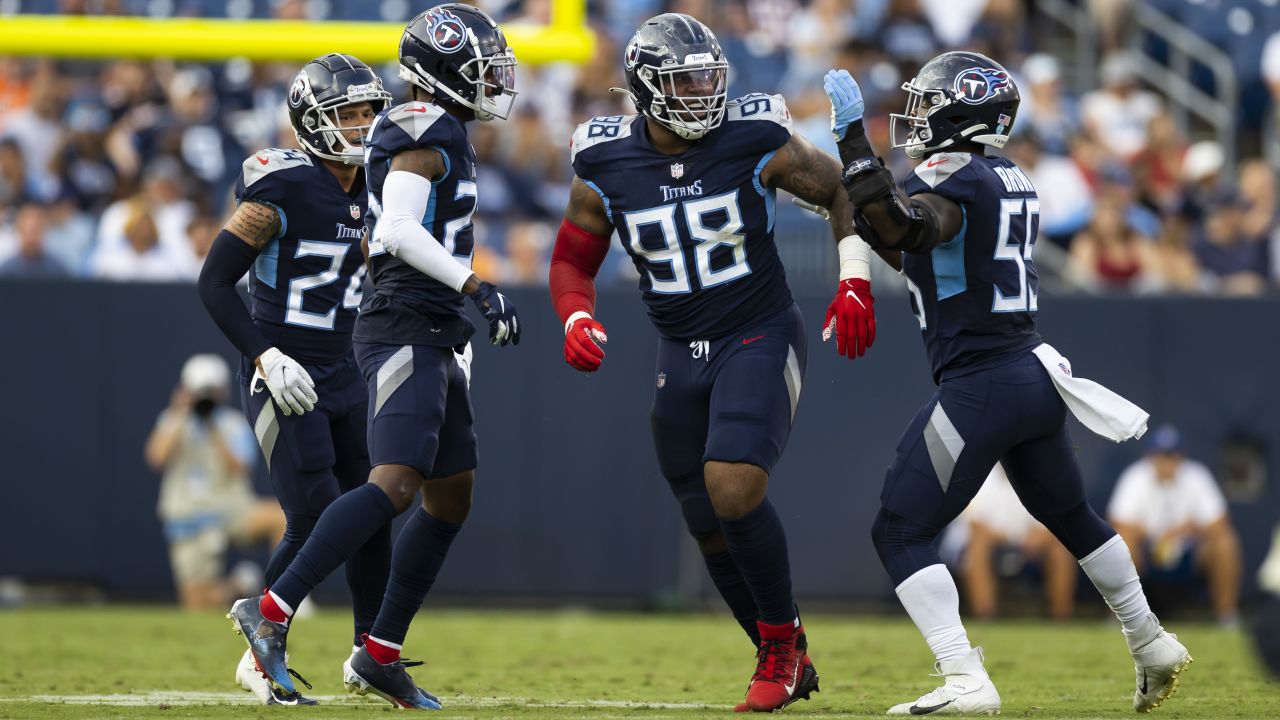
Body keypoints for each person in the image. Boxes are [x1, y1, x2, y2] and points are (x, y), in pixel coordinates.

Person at [824, 52, 1190, 715]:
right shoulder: (1007, 173)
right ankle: (1150, 638)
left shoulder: (955, 178)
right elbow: (908, 243)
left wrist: (854, 144)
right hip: (1032, 376)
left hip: (983, 383)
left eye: (930, 105)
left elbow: (905, 225)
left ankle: (965, 677)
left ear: (962, 117)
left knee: (898, 531)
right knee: (1072, 518)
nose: (918, 118)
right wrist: (858, 199)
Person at [549, 13, 877, 713]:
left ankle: (781, 651)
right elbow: (574, 257)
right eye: (686, 81)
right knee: (704, 519)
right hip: (679, 348)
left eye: (709, 78)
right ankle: (783, 648)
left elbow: (841, 189)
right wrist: (575, 313)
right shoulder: (603, 163)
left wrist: (854, 277)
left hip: (757, 330)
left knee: (733, 485)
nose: (703, 93)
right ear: (646, 89)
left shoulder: (754, 138)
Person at [227, 4, 520, 710]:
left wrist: (458, 323)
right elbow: (395, 230)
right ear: (444, 71)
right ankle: (270, 612)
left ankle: (379, 650)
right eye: (481, 67)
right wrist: (477, 288)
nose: (496, 79)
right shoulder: (425, 125)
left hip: (429, 323)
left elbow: (427, 229)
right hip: (401, 323)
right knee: (392, 485)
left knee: (451, 497)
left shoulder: (447, 132)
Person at [196, 54, 393, 705]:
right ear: (314, 121)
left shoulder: (383, 182)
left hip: (345, 369)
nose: (363, 124)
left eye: (369, 111)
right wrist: (264, 355)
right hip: (281, 372)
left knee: (372, 510)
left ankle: (371, 652)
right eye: (349, 113)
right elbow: (215, 282)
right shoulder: (280, 184)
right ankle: (259, 652)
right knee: (312, 514)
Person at [144, 354, 284, 612]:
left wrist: (212, 427)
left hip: (232, 510)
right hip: (189, 518)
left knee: (280, 519)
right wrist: (180, 413)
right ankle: (241, 584)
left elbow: (240, 467)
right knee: (198, 605)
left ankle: (284, 597)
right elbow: (156, 458)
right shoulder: (173, 420)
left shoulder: (231, 423)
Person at [1108, 425, 1242, 625]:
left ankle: (1227, 616)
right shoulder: (1136, 476)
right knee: (1121, 543)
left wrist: (1190, 529)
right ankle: (1118, 617)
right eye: (1161, 456)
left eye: (1171, 456)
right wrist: (1152, 534)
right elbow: (1118, 521)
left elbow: (1220, 521)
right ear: (1151, 456)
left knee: (1225, 542)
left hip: (1189, 552)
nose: (1167, 462)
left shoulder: (1196, 475)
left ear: (1181, 457)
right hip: (1147, 551)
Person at [952, 464, 1078, 620]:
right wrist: (1014, 538)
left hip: (1025, 546)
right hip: (978, 545)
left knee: (1060, 547)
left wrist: (1036, 538)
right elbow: (976, 527)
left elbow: (1052, 522)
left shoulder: (1038, 475)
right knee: (977, 547)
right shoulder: (975, 473)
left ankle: (1062, 619)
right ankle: (986, 617)